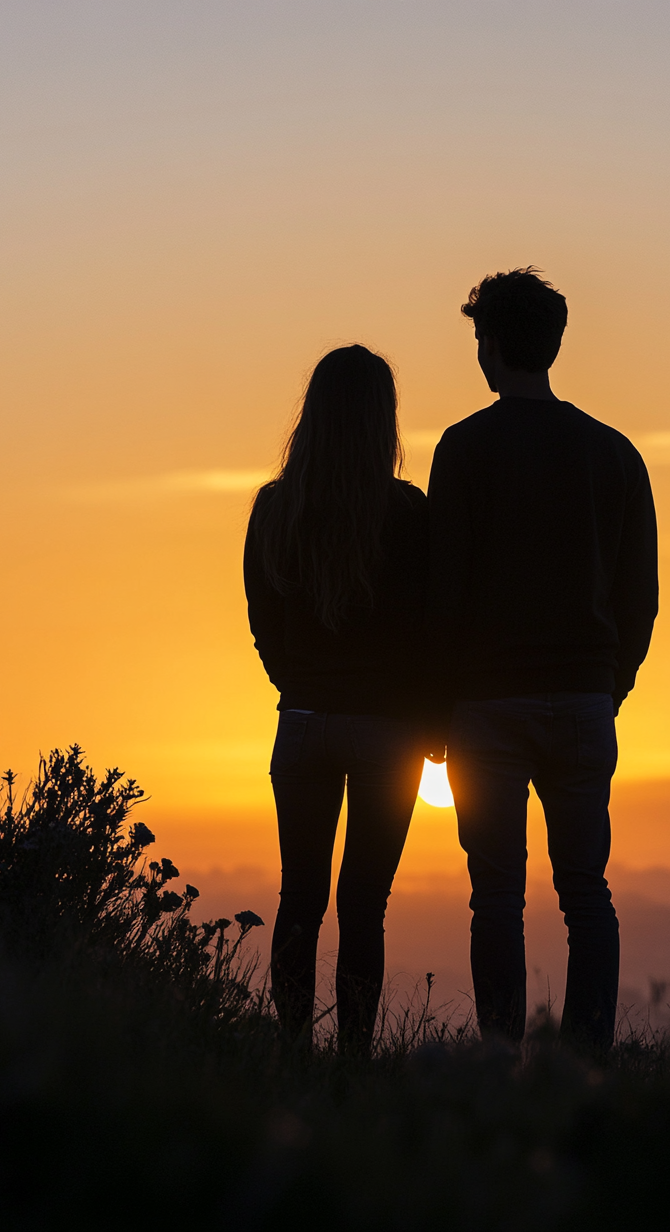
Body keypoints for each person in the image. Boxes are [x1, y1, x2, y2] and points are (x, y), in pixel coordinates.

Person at [427, 269, 658, 1053]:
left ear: (489, 346)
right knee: (586, 892)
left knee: (495, 899)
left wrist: (439, 706)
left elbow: (442, 594)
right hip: (586, 701)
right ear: (554, 344)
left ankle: (501, 1058)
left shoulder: (463, 449)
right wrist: (610, 685)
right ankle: (587, 1059)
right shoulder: (615, 454)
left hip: (487, 705)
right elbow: (641, 597)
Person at [244, 344, 427, 1053]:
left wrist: (298, 686)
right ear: (385, 421)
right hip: (388, 731)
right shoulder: (409, 513)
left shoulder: (275, 509)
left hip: (305, 724)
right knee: (364, 908)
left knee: (301, 898)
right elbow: (428, 631)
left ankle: (292, 1055)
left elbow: (264, 622)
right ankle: (354, 1061)